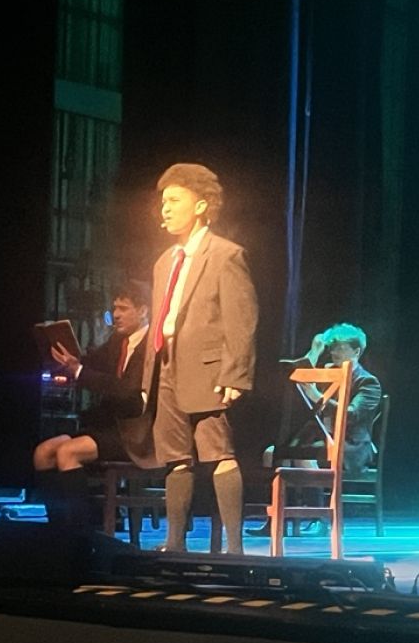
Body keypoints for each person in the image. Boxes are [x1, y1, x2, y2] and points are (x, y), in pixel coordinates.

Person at [142, 164, 258, 554]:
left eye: (175, 200)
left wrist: (235, 373)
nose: (166, 208)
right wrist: (148, 379)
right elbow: (161, 320)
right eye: (163, 201)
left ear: (201, 205)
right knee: (175, 457)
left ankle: (234, 547)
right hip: (166, 365)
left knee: (217, 451)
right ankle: (174, 543)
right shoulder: (164, 261)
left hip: (207, 370)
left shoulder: (225, 255)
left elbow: (242, 319)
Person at [33, 285, 156, 525]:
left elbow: (128, 392)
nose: (116, 314)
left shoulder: (152, 347)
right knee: (43, 452)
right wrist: (69, 362)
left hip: (136, 433)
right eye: (115, 308)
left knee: (68, 452)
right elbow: (89, 363)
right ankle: (57, 527)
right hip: (109, 428)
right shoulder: (117, 341)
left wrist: (80, 371)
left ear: (143, 311)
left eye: (123, 308)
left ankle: (81, 530)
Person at [247, 323, 381, 538]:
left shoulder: (368, 382)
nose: (334, 352)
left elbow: (351, 414)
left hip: (351, 446)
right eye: (332, 347)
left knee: (305, 456)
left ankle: (320, 518)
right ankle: (277, 519)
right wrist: (316, 350)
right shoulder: (327, 373)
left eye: (340, 348)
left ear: (356, 351)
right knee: (273, 453)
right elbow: (302, 376)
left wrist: (316, 395)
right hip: (322, 438)